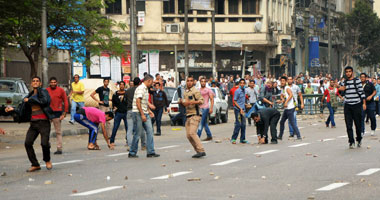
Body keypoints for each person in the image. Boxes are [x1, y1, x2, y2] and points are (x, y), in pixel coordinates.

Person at [5, 76, 54, 172]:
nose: (35, 82)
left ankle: (47, 160)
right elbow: (22, 110)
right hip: (33, 123)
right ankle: (35, 164)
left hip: (44, 122)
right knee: (27, 143)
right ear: (31, 84)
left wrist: (31, 100)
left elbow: (44, 101)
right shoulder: (28, 96)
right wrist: (12, 110)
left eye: (37, 81)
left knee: (44, 143)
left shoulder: (43, 92)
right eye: (33, 81)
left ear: (40, 83)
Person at [129, 74, 160, 158]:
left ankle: (150, 152)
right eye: (152, 82)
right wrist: (142, 114)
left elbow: (144, 102)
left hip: (145, 112)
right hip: (138, 113)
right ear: (148, 81)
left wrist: (149, 110)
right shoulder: (140, 88)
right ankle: (132, 152)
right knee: (138, 133)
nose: (152, 84)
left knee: (150, 131)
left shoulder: (146, 89)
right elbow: (138, 102)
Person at [338, 66, 366, 149]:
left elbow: (362, 93)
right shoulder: (344, 82)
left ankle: (359, 139)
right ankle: (351, 141)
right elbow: (341, 90)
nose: (348, 73)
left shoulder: (357, 81)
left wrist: (364, 103)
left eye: (349, 71)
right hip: (347, 106)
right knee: (348, 125)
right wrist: (339, 88)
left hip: (357, 105)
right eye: (346, 72)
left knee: (358, 124)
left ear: (352, 72)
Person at [180, 76, 206, 158]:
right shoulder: (185, 92)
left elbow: (201, 101)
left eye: (191, 81)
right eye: (188, 81)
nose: (189, 82)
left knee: (192, 133)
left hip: (195, 115)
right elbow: (185, 103)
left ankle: (201, 150)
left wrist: (192, 102)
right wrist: (182, 102)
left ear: (193, 82)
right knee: (188, 135)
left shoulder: (195, 91)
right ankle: (198, 151)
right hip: (188, 115)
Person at [46, 77, 69, 155]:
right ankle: (46, 145)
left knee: (58, 132)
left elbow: (65, 101)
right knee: (45, 131)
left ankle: (59, 148)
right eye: (51, 82)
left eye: (54, 82)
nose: (53, 84)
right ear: (49, 83)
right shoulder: (46, 91)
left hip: (57, 113)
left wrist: (65, 113)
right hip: (47, 113)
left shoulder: (61, 90)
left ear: (57, 83)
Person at [278, 76, 302, 140]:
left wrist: (286, 102)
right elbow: (283, 97)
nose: (282, 82)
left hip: (290, 108)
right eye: (281, 81)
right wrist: (281, 100)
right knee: (282, 122)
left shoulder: (287, 88)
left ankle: (299, 136)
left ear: (286, 82)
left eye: (283, 81)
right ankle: (280, 136)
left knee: (292, 122)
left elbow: (291, 95)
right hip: (287, 109)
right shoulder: (283, 89)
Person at [125, 78, 145, 150]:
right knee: (141, 128)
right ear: (140, 83)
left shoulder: (128, 91)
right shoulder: (140, 90)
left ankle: (130, 146)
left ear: (133, 83)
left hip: (129, 110)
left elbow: (125, 100)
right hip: (138, 110)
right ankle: (143, 145)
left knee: (129, 129)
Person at [109, 81, 128, 150]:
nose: (122, 86)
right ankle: (112, 141)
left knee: (127, 127)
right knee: (115, 127)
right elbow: (113, 102)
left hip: (126, 112)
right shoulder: (115, 94)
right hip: (118, 113)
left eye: (123, 85)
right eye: (120, 85)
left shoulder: (127, 93)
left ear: (124, 86)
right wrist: (114, 107)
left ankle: (128, 141)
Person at [231, 79, 249, 144]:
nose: (242, 84)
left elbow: (241, 101)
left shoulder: (244, 91)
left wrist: (245, 105)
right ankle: (233, 138)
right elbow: (234, 101)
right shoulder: (237, 91)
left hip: (243, 110)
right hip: (238, 110)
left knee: (243, 124)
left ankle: (242, 139)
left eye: (243, 83)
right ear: (239, 84)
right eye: (241, 83)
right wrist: (240, 108)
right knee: (238, 124)